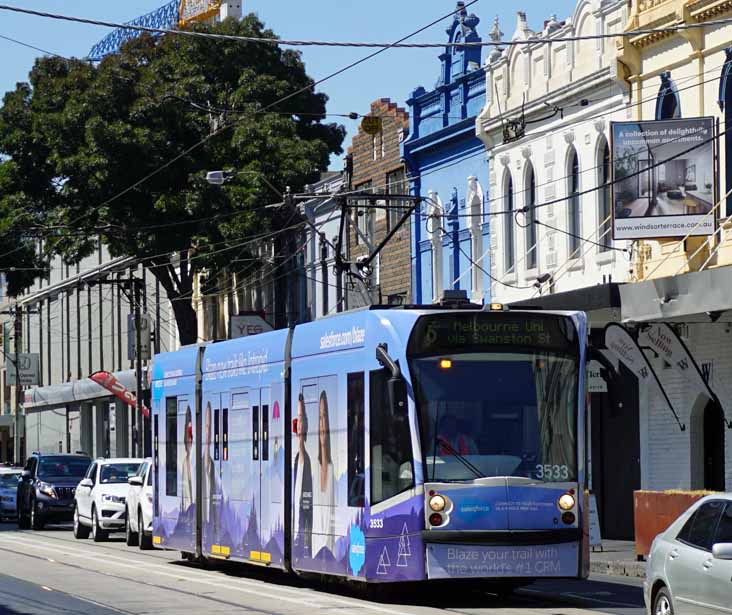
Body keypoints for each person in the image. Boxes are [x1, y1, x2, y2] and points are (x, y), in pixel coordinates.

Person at [313, 390, 336, 556]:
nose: (322, 425)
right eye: (320, 419)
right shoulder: (313, 467)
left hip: (329, 551)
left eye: (325, 418)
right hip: (315, 549)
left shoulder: (335, 469)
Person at [293, 394, 312, 558]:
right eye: (297, 418)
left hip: (302, 528)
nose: (299, 423)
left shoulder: (308, 460)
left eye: (302, 418)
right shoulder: (294, 460)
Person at [181, 406, 194, 512]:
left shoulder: (197, 462)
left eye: (191, 436)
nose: (190, 440)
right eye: (188, 435)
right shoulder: (184, 464)